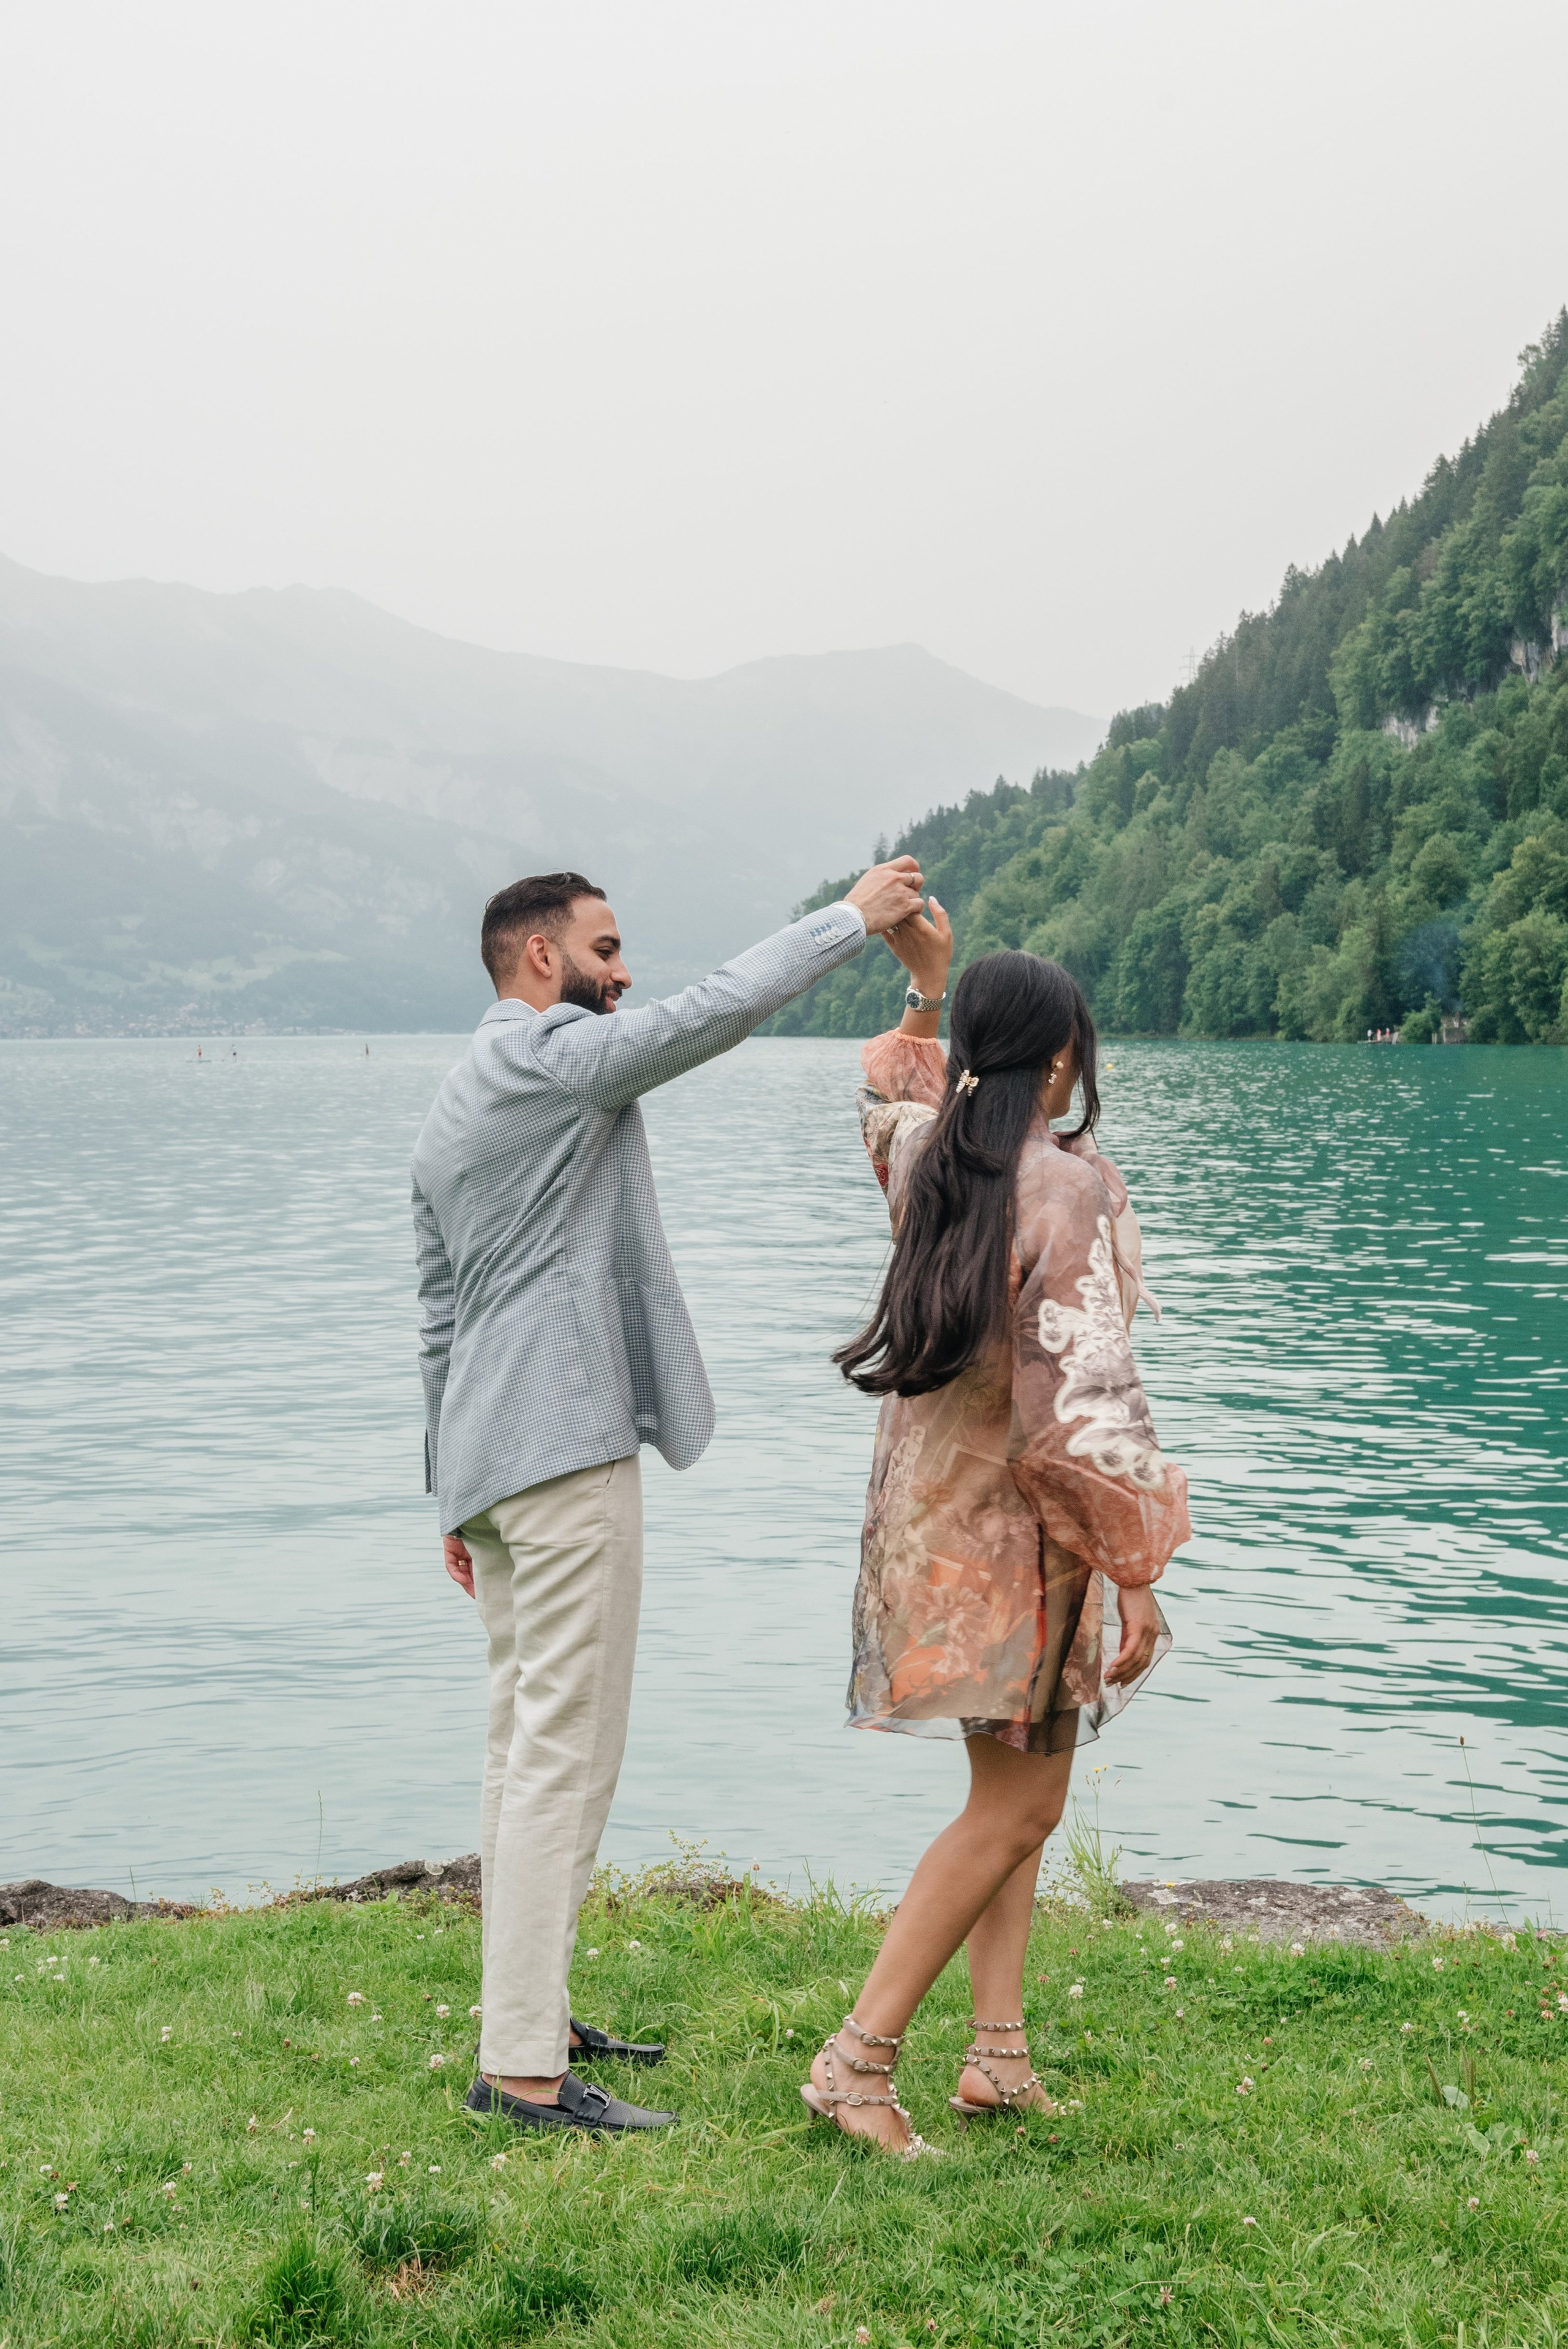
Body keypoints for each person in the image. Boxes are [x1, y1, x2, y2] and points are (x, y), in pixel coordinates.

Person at [411, 858, 927, 2137]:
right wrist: (849, 922)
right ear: (541, 957)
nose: (623, 970)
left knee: (520, 1748)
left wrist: (447, 1492)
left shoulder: (455, 1098)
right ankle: (523, 2072)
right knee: (565, 1755)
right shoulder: (547, 1058)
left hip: (490, 1460)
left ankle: (532, 2018)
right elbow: (709, 1012)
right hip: (561, 1451)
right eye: (605, 947)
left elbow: (439, 1316)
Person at [801, 897, 1190, 2155]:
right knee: (1016, 1810)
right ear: (1064, 1055)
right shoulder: (1062, 1189)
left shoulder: (929, 1159)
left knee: (1015, 1793)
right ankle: (855, 2062)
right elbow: (1084, 1405)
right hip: (1026, 1537)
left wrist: (926, 988)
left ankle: (998, 2057)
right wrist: (1138, 1566)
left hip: (930, 1529)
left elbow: (889, 1089)